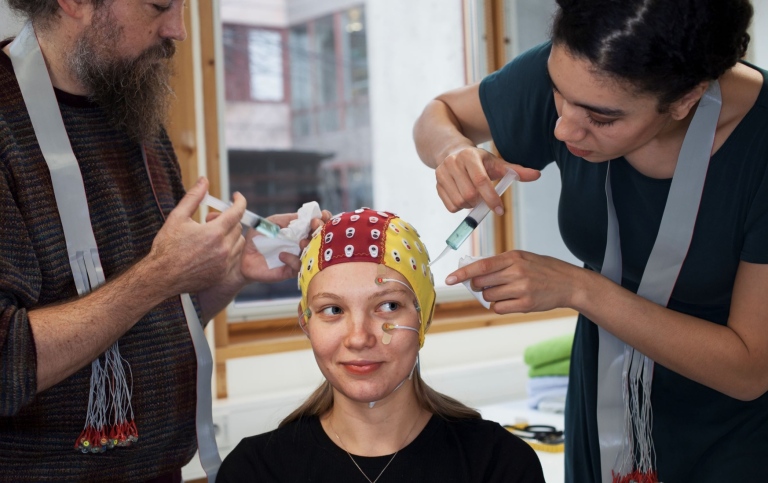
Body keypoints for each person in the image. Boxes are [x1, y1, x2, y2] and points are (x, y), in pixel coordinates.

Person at [413, 1, 768, 482]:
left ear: (686, 99)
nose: (562, 128)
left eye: (601, 119)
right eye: (558, 94)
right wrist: (453, 152)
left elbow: (749, 371)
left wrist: (578, 288)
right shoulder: (585, 71)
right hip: (604, 402)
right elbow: (439, 114)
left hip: (733, 432)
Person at [0, 0, 326, 481]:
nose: (178, 31)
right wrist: (158, 277)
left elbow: (146, 319)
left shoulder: (129, 104)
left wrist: (229, 272)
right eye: (159, 6)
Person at [216, 208, 546, 483]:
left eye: (387, 306)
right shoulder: (255, 471)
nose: (359, 338)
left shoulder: (499, 465)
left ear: (424, 316)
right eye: (333, 310)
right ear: (306, 322)